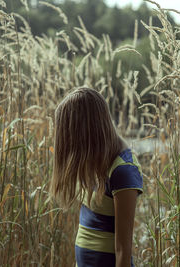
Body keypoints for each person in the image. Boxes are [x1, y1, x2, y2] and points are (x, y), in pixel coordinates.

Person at [50, 87, 143, 267]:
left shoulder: (123, 170)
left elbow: (123, 251)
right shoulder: (95, 159)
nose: (68, 141)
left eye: (69, 134)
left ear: (84, 130)